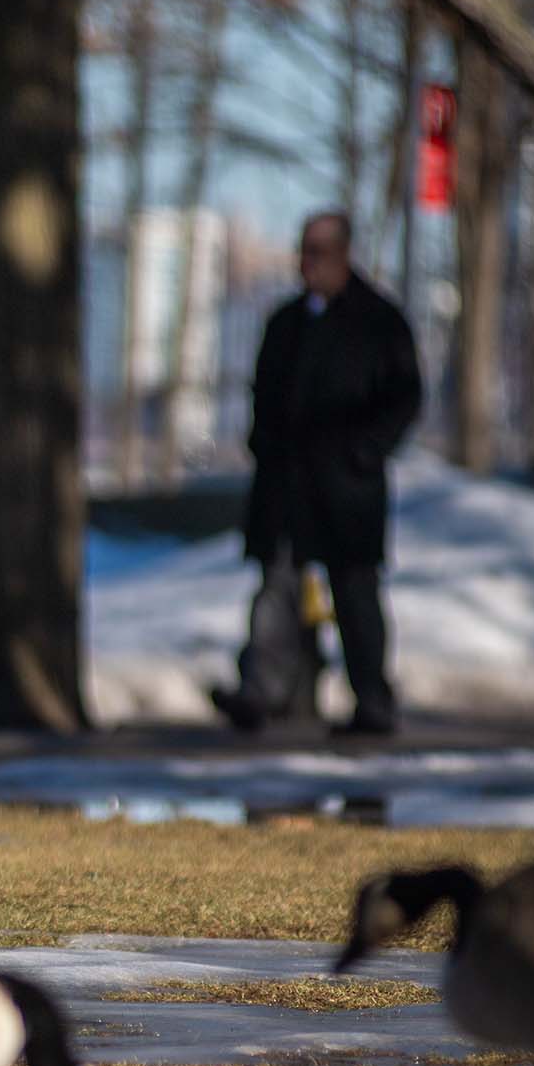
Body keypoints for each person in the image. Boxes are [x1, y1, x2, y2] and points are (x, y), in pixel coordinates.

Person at [210, 212, 422, 737]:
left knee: (355, 594)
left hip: (347, 488)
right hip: (287, 483)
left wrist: (365, 451)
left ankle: (372, 699)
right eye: (303, 252)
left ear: (344, 254)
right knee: (275, 589)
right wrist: (262, 443)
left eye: (318, 253)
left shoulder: (379, 321)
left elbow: (404, 397)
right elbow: (263, 394)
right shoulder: (286, 321)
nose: (307, 264)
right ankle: (260, 692)